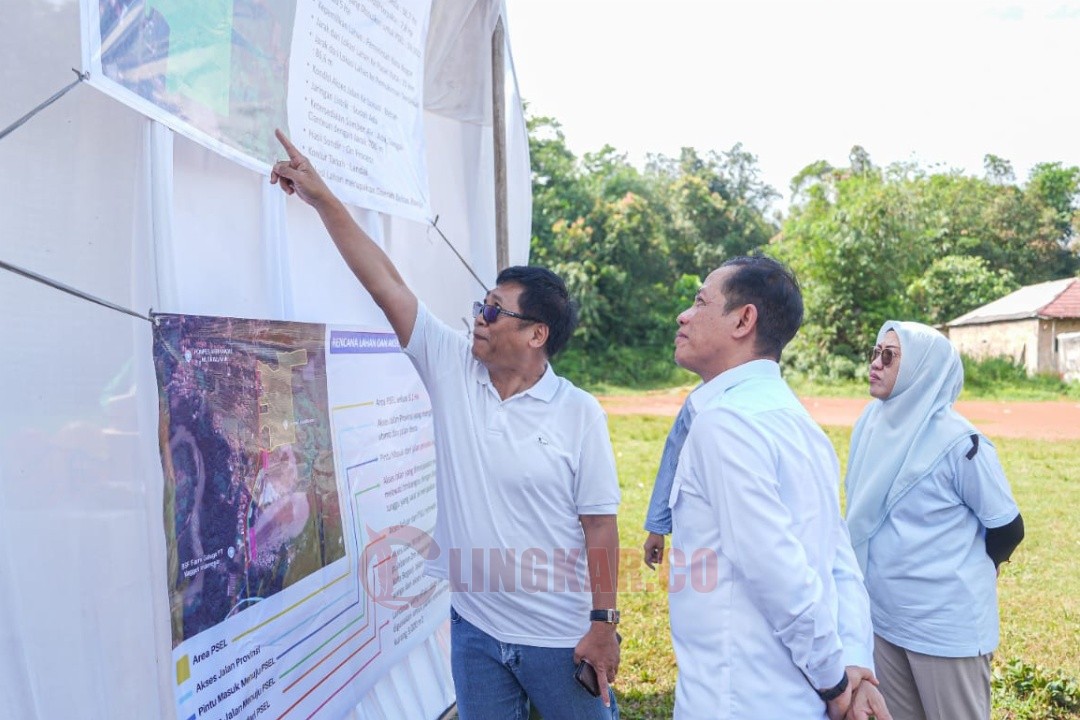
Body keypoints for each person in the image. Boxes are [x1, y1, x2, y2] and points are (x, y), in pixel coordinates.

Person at [270, 130, 622, 719]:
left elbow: (600, 528)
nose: (478, 318)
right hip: (476, 631)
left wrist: (603, 624)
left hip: (561, 640)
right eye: (480, 305)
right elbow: (387, 284)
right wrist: (322, 197)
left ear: (536, 334)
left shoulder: (578, 413)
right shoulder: (453, 365)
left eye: (493, 310)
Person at [660, 255, 891, 719]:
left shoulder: (725, 424)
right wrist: (852, 664)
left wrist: (836, 680)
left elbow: (776, 572)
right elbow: (839, 562)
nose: (684, 315)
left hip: (737, 699)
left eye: (701, 302)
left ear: (744, 320)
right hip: (792, 697)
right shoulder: (799, 424)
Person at [845, 322, 1025, 720]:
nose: (875, 363)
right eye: (875, 352)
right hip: (883, 618)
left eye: (889, 356)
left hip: (944, 627)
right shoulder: (872, 424)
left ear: (922, 369)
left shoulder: (960, 444)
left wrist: (984, 567)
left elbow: (1008, 526)